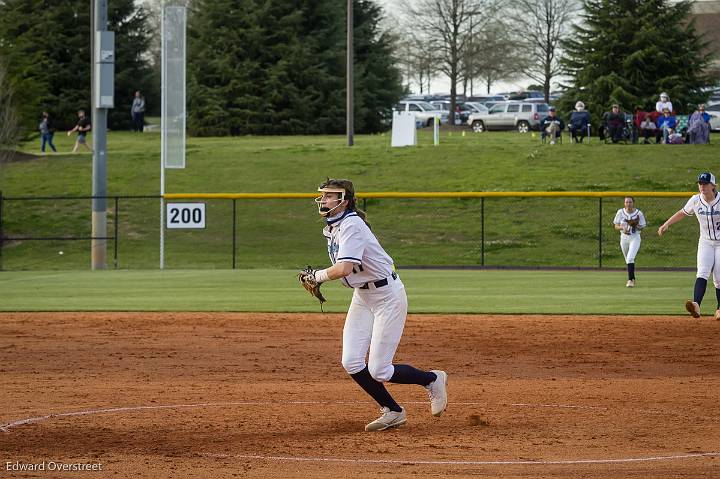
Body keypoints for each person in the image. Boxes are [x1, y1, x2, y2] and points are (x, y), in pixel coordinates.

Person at [304, 178, 448, 431]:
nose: (323, 200)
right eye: (323, 195)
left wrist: (317, 276)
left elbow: (344, 268)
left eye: (329, 196)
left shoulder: (351, 225)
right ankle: (393, 411)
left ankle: (432, 379)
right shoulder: (333, 228)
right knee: (351, 362)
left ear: (343, 201)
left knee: (380, 370)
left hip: (387, 296)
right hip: (363, 296)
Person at [658, 172, 720, 320]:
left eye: (705, 183)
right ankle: (696, 305)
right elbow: (682, 213)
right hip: (705, 241)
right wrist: (666, 224)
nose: (702, 186)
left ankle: (719, 308)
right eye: (700, 183)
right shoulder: (696, 200)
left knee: (718, 278)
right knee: (702, 272)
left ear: (713, 185)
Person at [613, 197, 647, 287]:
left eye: (630, 202)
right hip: (624, 238)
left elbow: (642, 226)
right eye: (626, 202)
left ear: (633, 203)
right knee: (627, 260)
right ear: (624, 203)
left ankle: (630, 280)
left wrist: (636, 225)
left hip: (634, 237)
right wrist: (622, 228)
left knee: (630, 258)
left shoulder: (638, 213)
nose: (628, 204)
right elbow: (616, 226)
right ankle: (633, 278)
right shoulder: (620, 212)